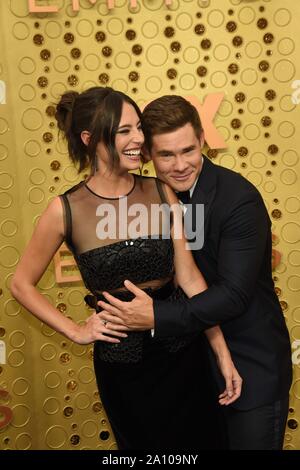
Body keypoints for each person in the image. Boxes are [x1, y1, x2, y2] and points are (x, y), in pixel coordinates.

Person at [11, 87, 242, 450]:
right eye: (124, 131)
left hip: (185, 359)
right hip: (124, 370)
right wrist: (75, 330)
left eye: (138, 127)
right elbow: (20, 284)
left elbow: (190, 278)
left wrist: (222, 355)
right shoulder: (65, 210)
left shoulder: (161, 191)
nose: (139, 139)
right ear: (90, 139)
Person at [97, 94, 293, 450]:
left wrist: (154, 316)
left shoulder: (238, 200)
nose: (181, 164)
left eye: (189, 150)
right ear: (147, 156)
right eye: (166, 155)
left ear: (203, 139)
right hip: (186, 373)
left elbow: (232, 295)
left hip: (250, 366)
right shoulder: (146, 199)